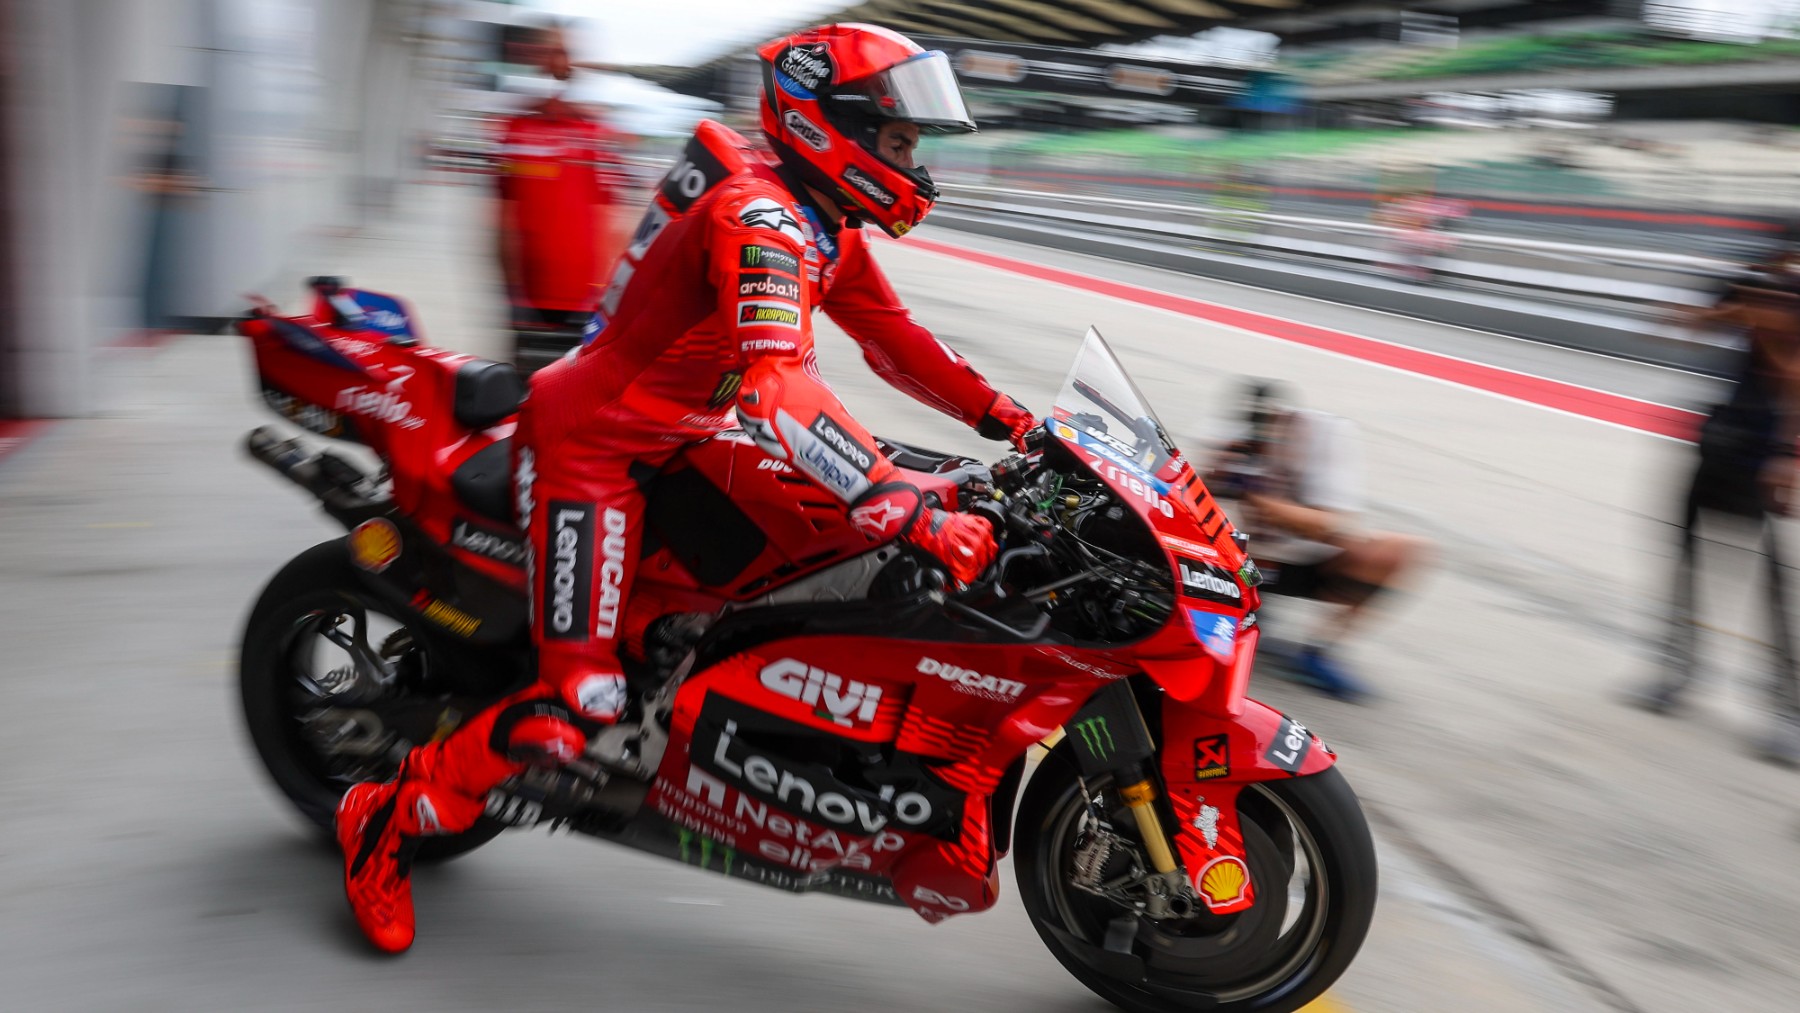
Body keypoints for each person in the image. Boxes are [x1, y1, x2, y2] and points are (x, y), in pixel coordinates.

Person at [334, 23, 1037, 952]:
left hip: (690, 438)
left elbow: (897, 342)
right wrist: (885, 491)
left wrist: (1017, 424)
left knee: (860, 552)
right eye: (899, 141)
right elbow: (776, 381)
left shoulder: (819, 218)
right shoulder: (763, 221)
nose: (913, 162)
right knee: (579, 700)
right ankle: (387, 815)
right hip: (595, 451)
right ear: (832, 126)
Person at [1628, 246, 1800, 764]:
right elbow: (1686, 326)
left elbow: (1793, 375)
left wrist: (1789, 456)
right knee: (1684, 561)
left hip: (1765, 449)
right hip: (1720, 437)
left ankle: (1787, 710)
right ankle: (1677, 673)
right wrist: (1728, 309)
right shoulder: (1747, 285)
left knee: (1770, 586)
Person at [1208, 381, 1427, 702]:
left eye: (1270, 441)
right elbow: (1187, 496)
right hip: (1244, 563)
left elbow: (1329, 525)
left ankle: (1318, 652)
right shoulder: (1231, 434)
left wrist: (1261, 496)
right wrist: (1216, 472)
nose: (1263, 447)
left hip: (1307, 562)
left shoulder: (1329, 436)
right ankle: (1248, 611)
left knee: (1397, 551)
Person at [493, 25, 626, 368]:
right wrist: (509, 289)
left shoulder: (596, 134)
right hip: (527, 299)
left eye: (564, 52)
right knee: (526, 391)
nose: (557, 61)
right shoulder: (515, 130)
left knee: (570, 397)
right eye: (549, 52)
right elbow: (501, 218)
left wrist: (607, 295)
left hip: (584, 302)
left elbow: (615, 224)